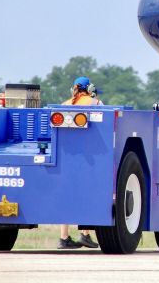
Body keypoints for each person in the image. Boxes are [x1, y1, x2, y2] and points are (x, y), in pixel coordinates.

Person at [57, 76, 102, 250]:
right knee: (88, 196)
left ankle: (64, 238)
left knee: (66, 197)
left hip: (66, 158)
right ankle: (85, 234)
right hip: (87, 158)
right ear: (89, 88)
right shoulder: (95, 103)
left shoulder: (64, 104)